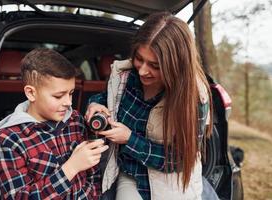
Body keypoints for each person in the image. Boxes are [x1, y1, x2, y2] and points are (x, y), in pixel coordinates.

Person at [85, 12, 213, 200]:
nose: (143, 71)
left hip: (171, 185)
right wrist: (95, 104)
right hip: (129, 175)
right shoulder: (124, 75)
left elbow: (180, 160)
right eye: (139, 59)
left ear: (176, 65)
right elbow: (108, 98)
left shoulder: (195, 96)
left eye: (155, 65)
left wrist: (129, 139)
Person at [0, 48, 108, 199]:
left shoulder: (76, 120)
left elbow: (93, 174)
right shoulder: (8, 139)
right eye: (58, 96)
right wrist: (71, 168)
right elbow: (18, 197)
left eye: (71, 93)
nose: (68, 102)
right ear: (31, 93)